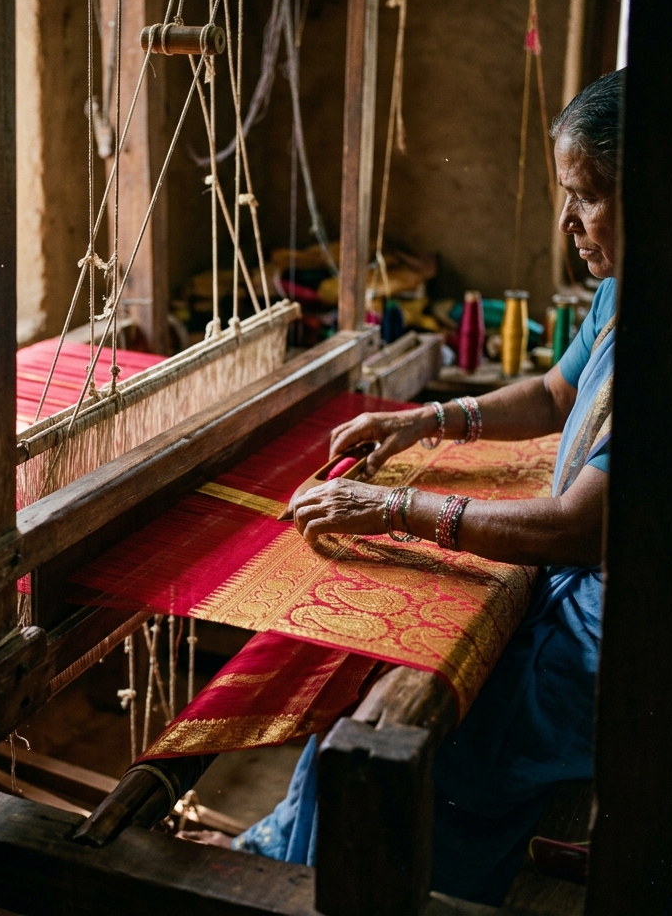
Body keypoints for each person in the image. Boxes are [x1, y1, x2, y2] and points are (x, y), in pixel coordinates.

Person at [231, 68, 625, 905]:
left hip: (606, 657)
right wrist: (432, 422)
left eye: (586, 197)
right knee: (361, 696)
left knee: (383, 742)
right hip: (566, 605)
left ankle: (320, 882)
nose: (568, 224)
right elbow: (557, 393)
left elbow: (576, 532)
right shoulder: (624, 295)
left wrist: (394, 509)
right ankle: (279, 855)